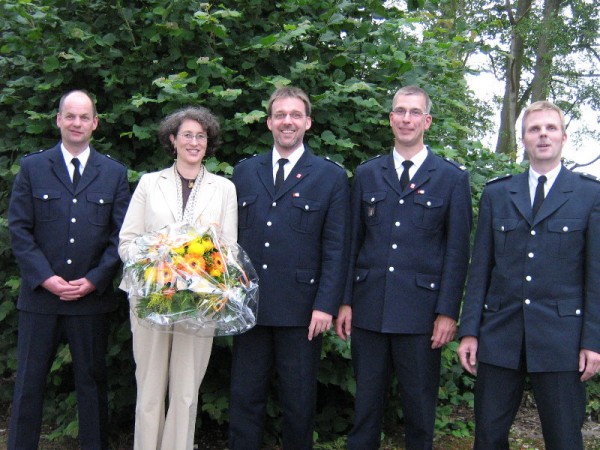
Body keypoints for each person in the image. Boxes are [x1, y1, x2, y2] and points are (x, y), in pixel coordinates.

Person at [457, 100, 600, 450]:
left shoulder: (589, 194)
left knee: (564, 439)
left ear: (564, 137)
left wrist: (593, 340)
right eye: (534, 129)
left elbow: (596, 275)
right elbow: (481, 268)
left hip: (561, 337)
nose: (543, 135)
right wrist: (469, 331)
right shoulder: (498, 193)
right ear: (523, 139)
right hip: (500, 333)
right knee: (488, 437)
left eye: (551, 128)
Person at [336, 85, 473, 449]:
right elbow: (352, 242)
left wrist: (448, 311)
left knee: (419, 410)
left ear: (427, 121)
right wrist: (345, 301)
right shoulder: (367, 174)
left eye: (414, 112)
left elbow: (457, 252)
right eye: (400, 111)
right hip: (369, 308)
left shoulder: (451, 178)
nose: (406, 119)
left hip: (421, 314)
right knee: (365, 409)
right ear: (390, 118)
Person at [7, 90, 131, 450]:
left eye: (84, 117)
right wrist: (46, 278)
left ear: (95, 123)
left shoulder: (113, 173)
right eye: (70, 116)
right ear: (59, 120)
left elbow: (121, 236)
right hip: (40, 298)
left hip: (89, 299)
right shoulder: (33, 168)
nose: (77, 123)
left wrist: (94, 280)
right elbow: (19, 229)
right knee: (29, 384)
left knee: (92, 384)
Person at [228, 86, 350, 449]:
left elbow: (336, 248)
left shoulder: (329, 176)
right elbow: (229, 241)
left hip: (302, 311)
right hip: (250, 307)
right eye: (280, 115)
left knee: (298, 402)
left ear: (308, 122)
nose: (288, 122)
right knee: (244, 398)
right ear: (269, 122)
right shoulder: (244, 172)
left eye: (296, 115)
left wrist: (325, 305)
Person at [118, 106, 237, 450]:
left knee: (186, 392)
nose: (194, 142)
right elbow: (127, 242)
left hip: (200, 300)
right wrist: (159, 263)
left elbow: (228, 249)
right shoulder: (148, 183)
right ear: (173, 139)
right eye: (187, 135)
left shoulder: (224, 188)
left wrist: (197, 271)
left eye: (201, 136)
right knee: (149, 387)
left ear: (209, 142)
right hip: (151, 296)